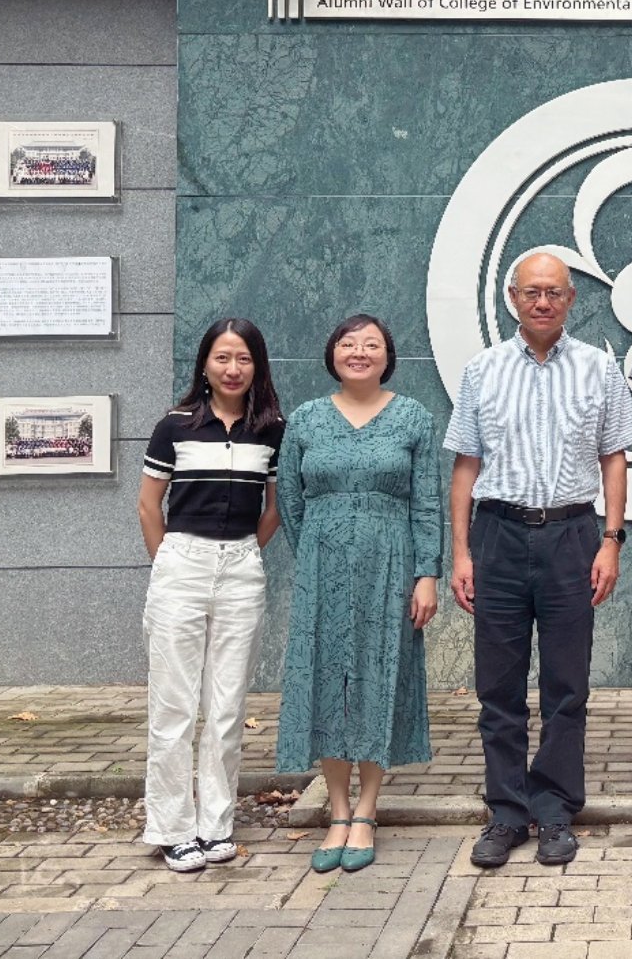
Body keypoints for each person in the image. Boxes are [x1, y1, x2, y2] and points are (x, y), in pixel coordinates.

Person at [446, 253, 632, 870]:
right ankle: (506, 812)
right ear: (512, 297)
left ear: (572, 298)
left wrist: (611, 539)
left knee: (565, 684)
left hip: (571, 536)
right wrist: (460, 552)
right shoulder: (483, 370)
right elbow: (466, 465)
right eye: (532, 292)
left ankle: (554, 810)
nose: (543, 302)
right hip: (498, 535)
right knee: (497, 688)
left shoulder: (598, 368)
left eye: (554, 292)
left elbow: (614, 456)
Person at [275, 314, 444, 874]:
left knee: (378, 676)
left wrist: (426, 573)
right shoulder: (305, 419)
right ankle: (338, 809)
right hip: (322, 568)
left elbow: (427, 503)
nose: (359, 352)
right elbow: (291, 503)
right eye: (348, 343)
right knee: (326, 679)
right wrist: (321, 552)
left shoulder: (412, 417)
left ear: (387, 356)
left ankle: (368, 809)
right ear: (332, 353)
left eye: (371, 345)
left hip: (391, 567)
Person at [138, 318, 284, 873]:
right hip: (181, 562)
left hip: (242, 567)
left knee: (226, 707)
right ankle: (172, 828)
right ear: (205, 363)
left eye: (243, 358)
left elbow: (273, 508)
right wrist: (170, 562)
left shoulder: (271, 429)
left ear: (257, 367)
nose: (232, 368)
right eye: (223, 357)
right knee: (174, 705)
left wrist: (246, 549)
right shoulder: (173, 427)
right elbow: (149, 505)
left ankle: (216, 824)